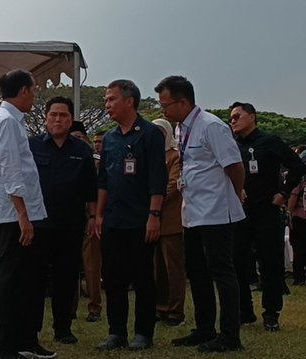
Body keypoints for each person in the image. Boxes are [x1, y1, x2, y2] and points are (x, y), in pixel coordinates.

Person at [154, 76, 245, 352]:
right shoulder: (181, 129)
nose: (163, 111)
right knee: (196, 270)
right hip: (191, 212)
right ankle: (205, 329)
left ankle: (230, 335)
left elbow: (235, 167)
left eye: (166, 105)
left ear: (183, 102)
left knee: (221, 271)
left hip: (216, 212)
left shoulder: (211, 126)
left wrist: (234, 195)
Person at [95, 79, 168, 351]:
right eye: (106, 100)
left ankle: (143, 333)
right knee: (113, 277)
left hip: (140, 219)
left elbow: (157, 179)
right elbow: (103, 180)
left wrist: (154, 215)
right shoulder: (110, 138)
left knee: (143, 276)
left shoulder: (149, 134)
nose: (107, 105)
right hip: (113, 219)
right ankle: (116, 332)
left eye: (111, 99)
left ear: (129, 100)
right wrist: (99, 215)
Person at [0, 69, 55, 359]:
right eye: (34, 90)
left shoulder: (14, 120)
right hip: (15, 215)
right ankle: (4, 345)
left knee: (30, 279)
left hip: (27, 211)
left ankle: (26, 340)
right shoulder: (5, 121)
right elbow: (10, 170)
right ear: (24, 91)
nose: (35, 95)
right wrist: (22, 216)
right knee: (13, 280)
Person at [229, 102, 306, 331]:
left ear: (252, 117)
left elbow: (297, 166)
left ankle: (271, 313)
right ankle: (245, 310)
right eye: (231, 118)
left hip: (266, 211)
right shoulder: (231, 145)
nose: (233, 121)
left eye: (237, 116)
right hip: (239, 212)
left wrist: (283, 193)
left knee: (270, 263)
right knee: (237, 261)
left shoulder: (269, 141)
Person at [29, 97, 97, 344]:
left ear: (71, 120)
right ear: (46, 118)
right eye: (53, 115)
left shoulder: (82, 151)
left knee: (66, 278)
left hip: (70, 225)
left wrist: (92, 217)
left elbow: (91, 188)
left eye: (63, 116)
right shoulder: (32, 146)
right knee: (35, 279)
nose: (58, 120)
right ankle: (31, 329)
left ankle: (63, 328)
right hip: (38, 225)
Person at [151, 119, 186, 327]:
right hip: (151, 219)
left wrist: (153, 199)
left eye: (160, 133)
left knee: (173, 268)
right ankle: (160, 308)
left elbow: (174, 184)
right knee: (157, 268)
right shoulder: (150, 154)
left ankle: (176, 311)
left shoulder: (175, 155)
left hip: (171, 219)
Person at [83, 129, 106, 322]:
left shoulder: (100, 162)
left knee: (92, 265)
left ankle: (95, 307)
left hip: (94, 217)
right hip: (71, 217)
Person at [288, 178, 306, 285]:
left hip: (300, 217)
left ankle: (299, 277)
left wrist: (289, 213)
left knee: (299, 248)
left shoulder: (300, 181)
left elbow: (293, 197)